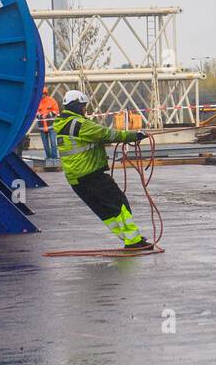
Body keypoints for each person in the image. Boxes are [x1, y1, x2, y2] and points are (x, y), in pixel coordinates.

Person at [52, 89, 151, 250]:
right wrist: (135, 135)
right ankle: (133, 241)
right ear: (77, 106)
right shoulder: (79, 124)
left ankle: (129, 238)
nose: (85, 109)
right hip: (91, 175)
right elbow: (107, 134)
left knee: (105, 211)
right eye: (83, 106)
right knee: (119, 204)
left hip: (76, 179)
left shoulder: (62, 124)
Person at [36, 88, 61, 169]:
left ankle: (55, 158)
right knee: (45, 144)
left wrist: (47, 115)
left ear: (45, 93)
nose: (41, 95)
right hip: (42, 128)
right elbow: (35, 112)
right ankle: (48, 157)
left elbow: (56, 111)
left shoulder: (52, 101)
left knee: (53, 143)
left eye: (42, 94)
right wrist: (40, 115)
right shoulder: (37, 102)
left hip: (51, 127)